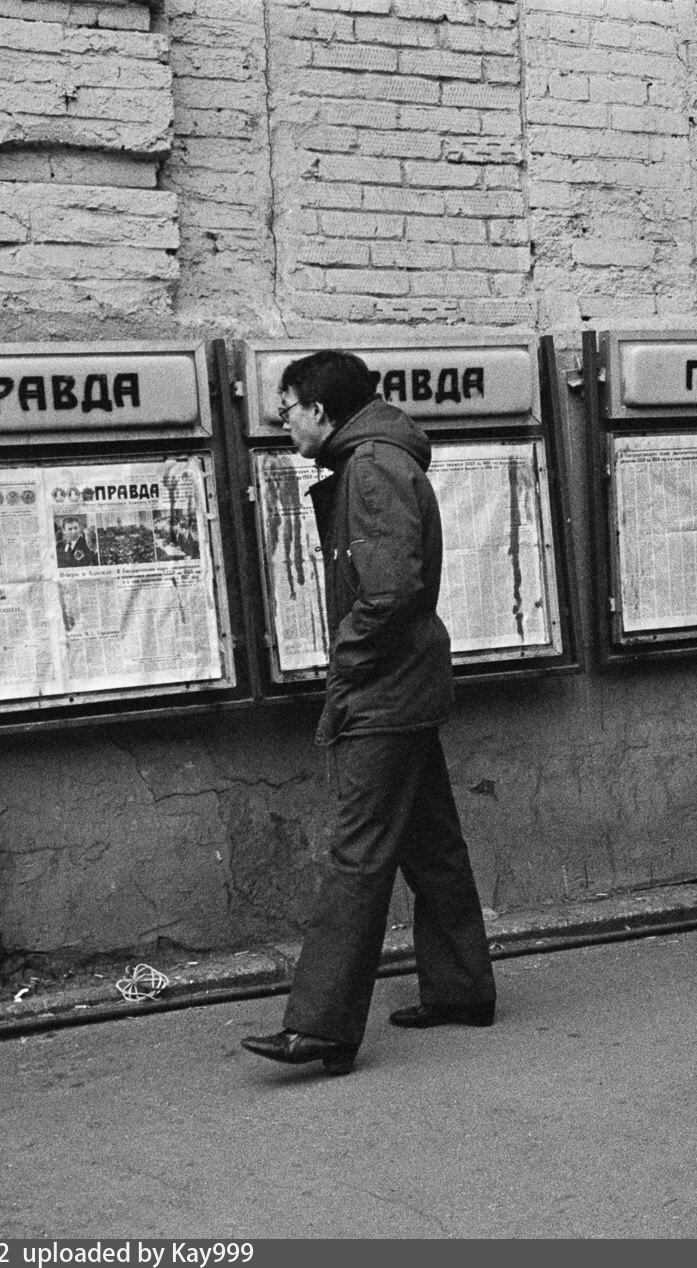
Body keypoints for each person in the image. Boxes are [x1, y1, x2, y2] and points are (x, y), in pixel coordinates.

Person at [242, 350, 497, 1076]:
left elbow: (388, 591)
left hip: (386, 687)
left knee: (355, 853)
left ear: (320, 411)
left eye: (286, 408)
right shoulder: (377, 458)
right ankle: (460, 990)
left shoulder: (370, 468)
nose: (281, 421)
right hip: (409, 681)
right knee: (431, 844)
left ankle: (321, 1025)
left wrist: (346, 660)